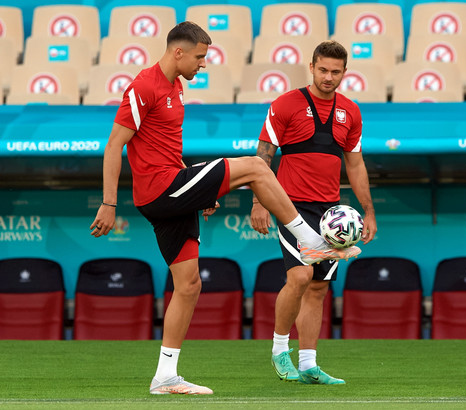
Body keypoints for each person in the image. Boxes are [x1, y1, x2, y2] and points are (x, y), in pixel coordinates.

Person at [89, 22, 360, 395]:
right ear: (179, 52)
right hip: (158, 188)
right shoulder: (144, 86)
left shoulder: (175, 88)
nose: (203, 64)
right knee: (256, 166)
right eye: (200, 57)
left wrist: (199, 193)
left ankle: (165, 376)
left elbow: (165, 151)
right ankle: (310, 241)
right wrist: (108, 203)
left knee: (189, 285)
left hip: (174, 185)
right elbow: (113, 145)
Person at [251, 40, 377, 385]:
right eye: (323, 70)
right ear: (312, 67)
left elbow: (355, 162)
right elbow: (263, 155)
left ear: (344, 72)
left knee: (319, 288)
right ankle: (279, 350)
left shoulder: (350, 111)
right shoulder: (286, 104)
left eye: (336, 72)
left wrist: (368, 210)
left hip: (330, 214)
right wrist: (259, 201)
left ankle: (308, 365)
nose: (328, 77)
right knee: (301, 278)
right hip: (289, 205)